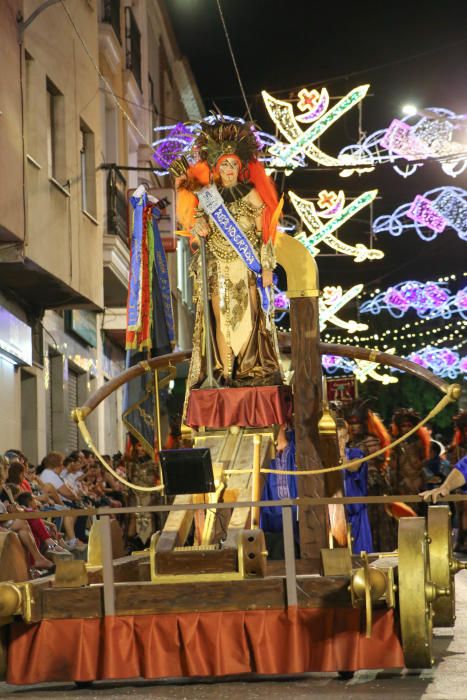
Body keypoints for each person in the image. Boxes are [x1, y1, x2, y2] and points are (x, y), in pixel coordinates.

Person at [173, 116, 282, 391]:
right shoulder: (208, 197)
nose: (230, 169)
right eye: (225, 165)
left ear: (241, 166)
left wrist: (267, 267)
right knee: (220, 319)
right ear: (216, 168)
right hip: (217, 267)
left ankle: (248, 370)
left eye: (234, 164)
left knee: (247, 317)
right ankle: (223, 370)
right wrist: (198, 226)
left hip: (246, 269)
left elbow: (265, 234)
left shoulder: (252, 195)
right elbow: (197, 228)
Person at [345, 400, 396, 552]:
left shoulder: (371, 441)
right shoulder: (347, 442)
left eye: (357, 422)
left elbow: (379, 463)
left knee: (377, 525)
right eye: (351, 423)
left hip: (372, 489)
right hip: (354, 489)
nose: (354, 427)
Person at [336, 417, 373, 554]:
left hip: (357, 513)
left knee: (362, 555)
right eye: (335, 438)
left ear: (347, 438)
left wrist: (341, 457)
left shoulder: (356, 454)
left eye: (341, 437)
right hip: (335, 514)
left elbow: (354, 467)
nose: (339, 442)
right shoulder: (323, 460)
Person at [389, 408, 430, 507]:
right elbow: (392, 463)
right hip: (400, 479)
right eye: (403, 426)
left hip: (417, 478)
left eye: (409, 426)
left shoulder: (419, 442)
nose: (406, 428)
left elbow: (424, 459)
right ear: (399, 427)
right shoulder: (395, 442)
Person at [447, 411, 467, 552]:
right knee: (462, 514)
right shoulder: (458, 448)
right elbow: (456, 466)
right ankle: (462, 541)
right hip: (461, 487)